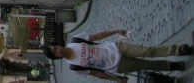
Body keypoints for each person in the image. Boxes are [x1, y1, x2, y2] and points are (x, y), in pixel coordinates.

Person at [43, 30, 191, 81]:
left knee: (147, 51)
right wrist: (116, 79)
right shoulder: (74, 67)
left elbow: (96, 36)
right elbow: (96, 73)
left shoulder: (75, 40)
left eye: (55, 47)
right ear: (56, 57)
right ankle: (172, 66)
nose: (58, 50)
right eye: (55, 52)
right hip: (117, 65)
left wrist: (115, 31)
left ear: (58, 44)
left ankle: (178, 50)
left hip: (116, 48)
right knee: (147, 65)